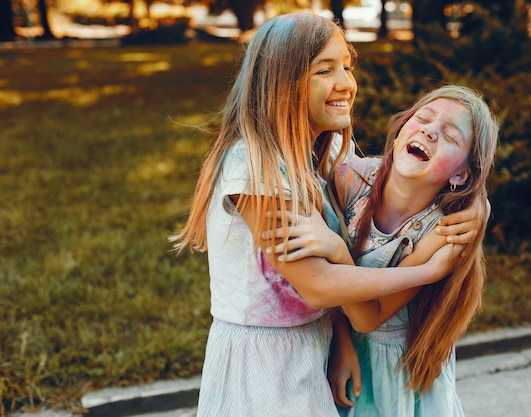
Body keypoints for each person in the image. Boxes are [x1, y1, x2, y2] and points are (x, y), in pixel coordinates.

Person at [170, 12, 483, 417]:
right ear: (283, 82)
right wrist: (429, 271)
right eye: (325, 69)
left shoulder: (322, 155)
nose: (345, 83)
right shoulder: (252, 166)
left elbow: (392, 180)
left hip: (311, 353)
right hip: (264, 365)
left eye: (347, 67)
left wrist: (477, 200)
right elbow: (316, 284)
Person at [269, 85, 499, 416]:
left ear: (461, 174)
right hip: (335, 347)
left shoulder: (444, 231)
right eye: (423, 118)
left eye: (451, 137)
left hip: (395, 374)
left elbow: (368, 316)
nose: (430, 131)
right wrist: (342, 341)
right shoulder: (351, 180)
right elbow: (327, 287)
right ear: (403, 127)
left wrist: (336, 249)